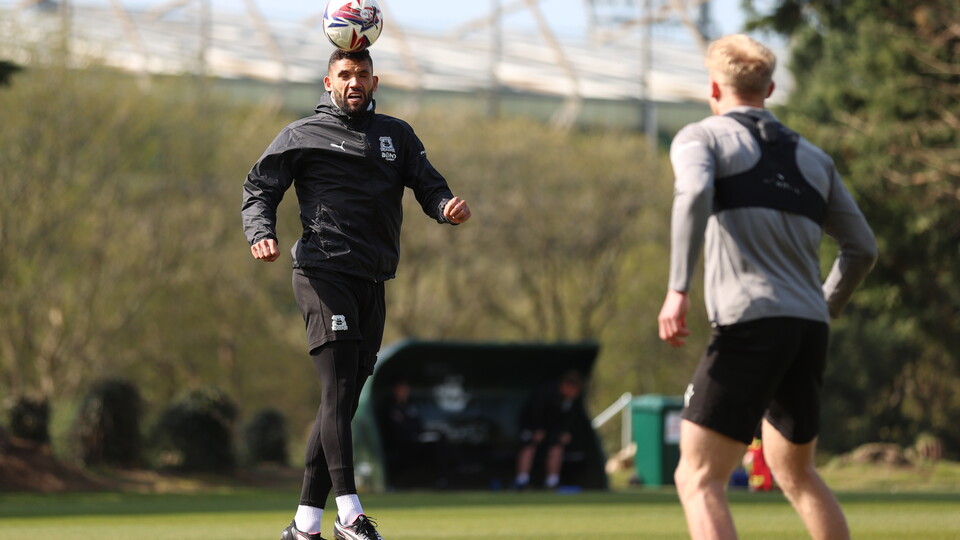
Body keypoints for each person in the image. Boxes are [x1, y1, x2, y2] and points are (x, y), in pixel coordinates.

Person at [242, 48, 472, 540]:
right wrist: (260, 230)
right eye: (344, 74)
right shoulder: (301, 134)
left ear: (374, 81)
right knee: (338, 391)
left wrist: (444, 207)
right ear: (328, 83)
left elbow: (428, 185)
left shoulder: (397, 135)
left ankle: (304, 525)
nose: (353, 81)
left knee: (341, 405)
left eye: (361, 74)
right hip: (323, 274)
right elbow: (260, 187)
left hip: (373, 281)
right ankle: (350, 514)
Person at [657, 34, 877, 540]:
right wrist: (824, 305)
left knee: (698, 476)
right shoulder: (815, 158)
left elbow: (692, 194)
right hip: (807, 329)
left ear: (714, 86)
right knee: (797, 473)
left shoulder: (702, 137)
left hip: (750, 323)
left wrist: (677, 289)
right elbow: (862, 248)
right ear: (771, 87)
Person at [513, 369, 584, 490]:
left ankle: (552, 482)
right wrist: (537, 429)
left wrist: (565, 432)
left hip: (551, 429)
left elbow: (568, 418)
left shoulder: (570, 400)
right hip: (530, 425)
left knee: (557, 448)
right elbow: (535, 411)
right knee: (529, 447)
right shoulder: (546, 392)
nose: (575, 393)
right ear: (565, 385)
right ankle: (521, 481)